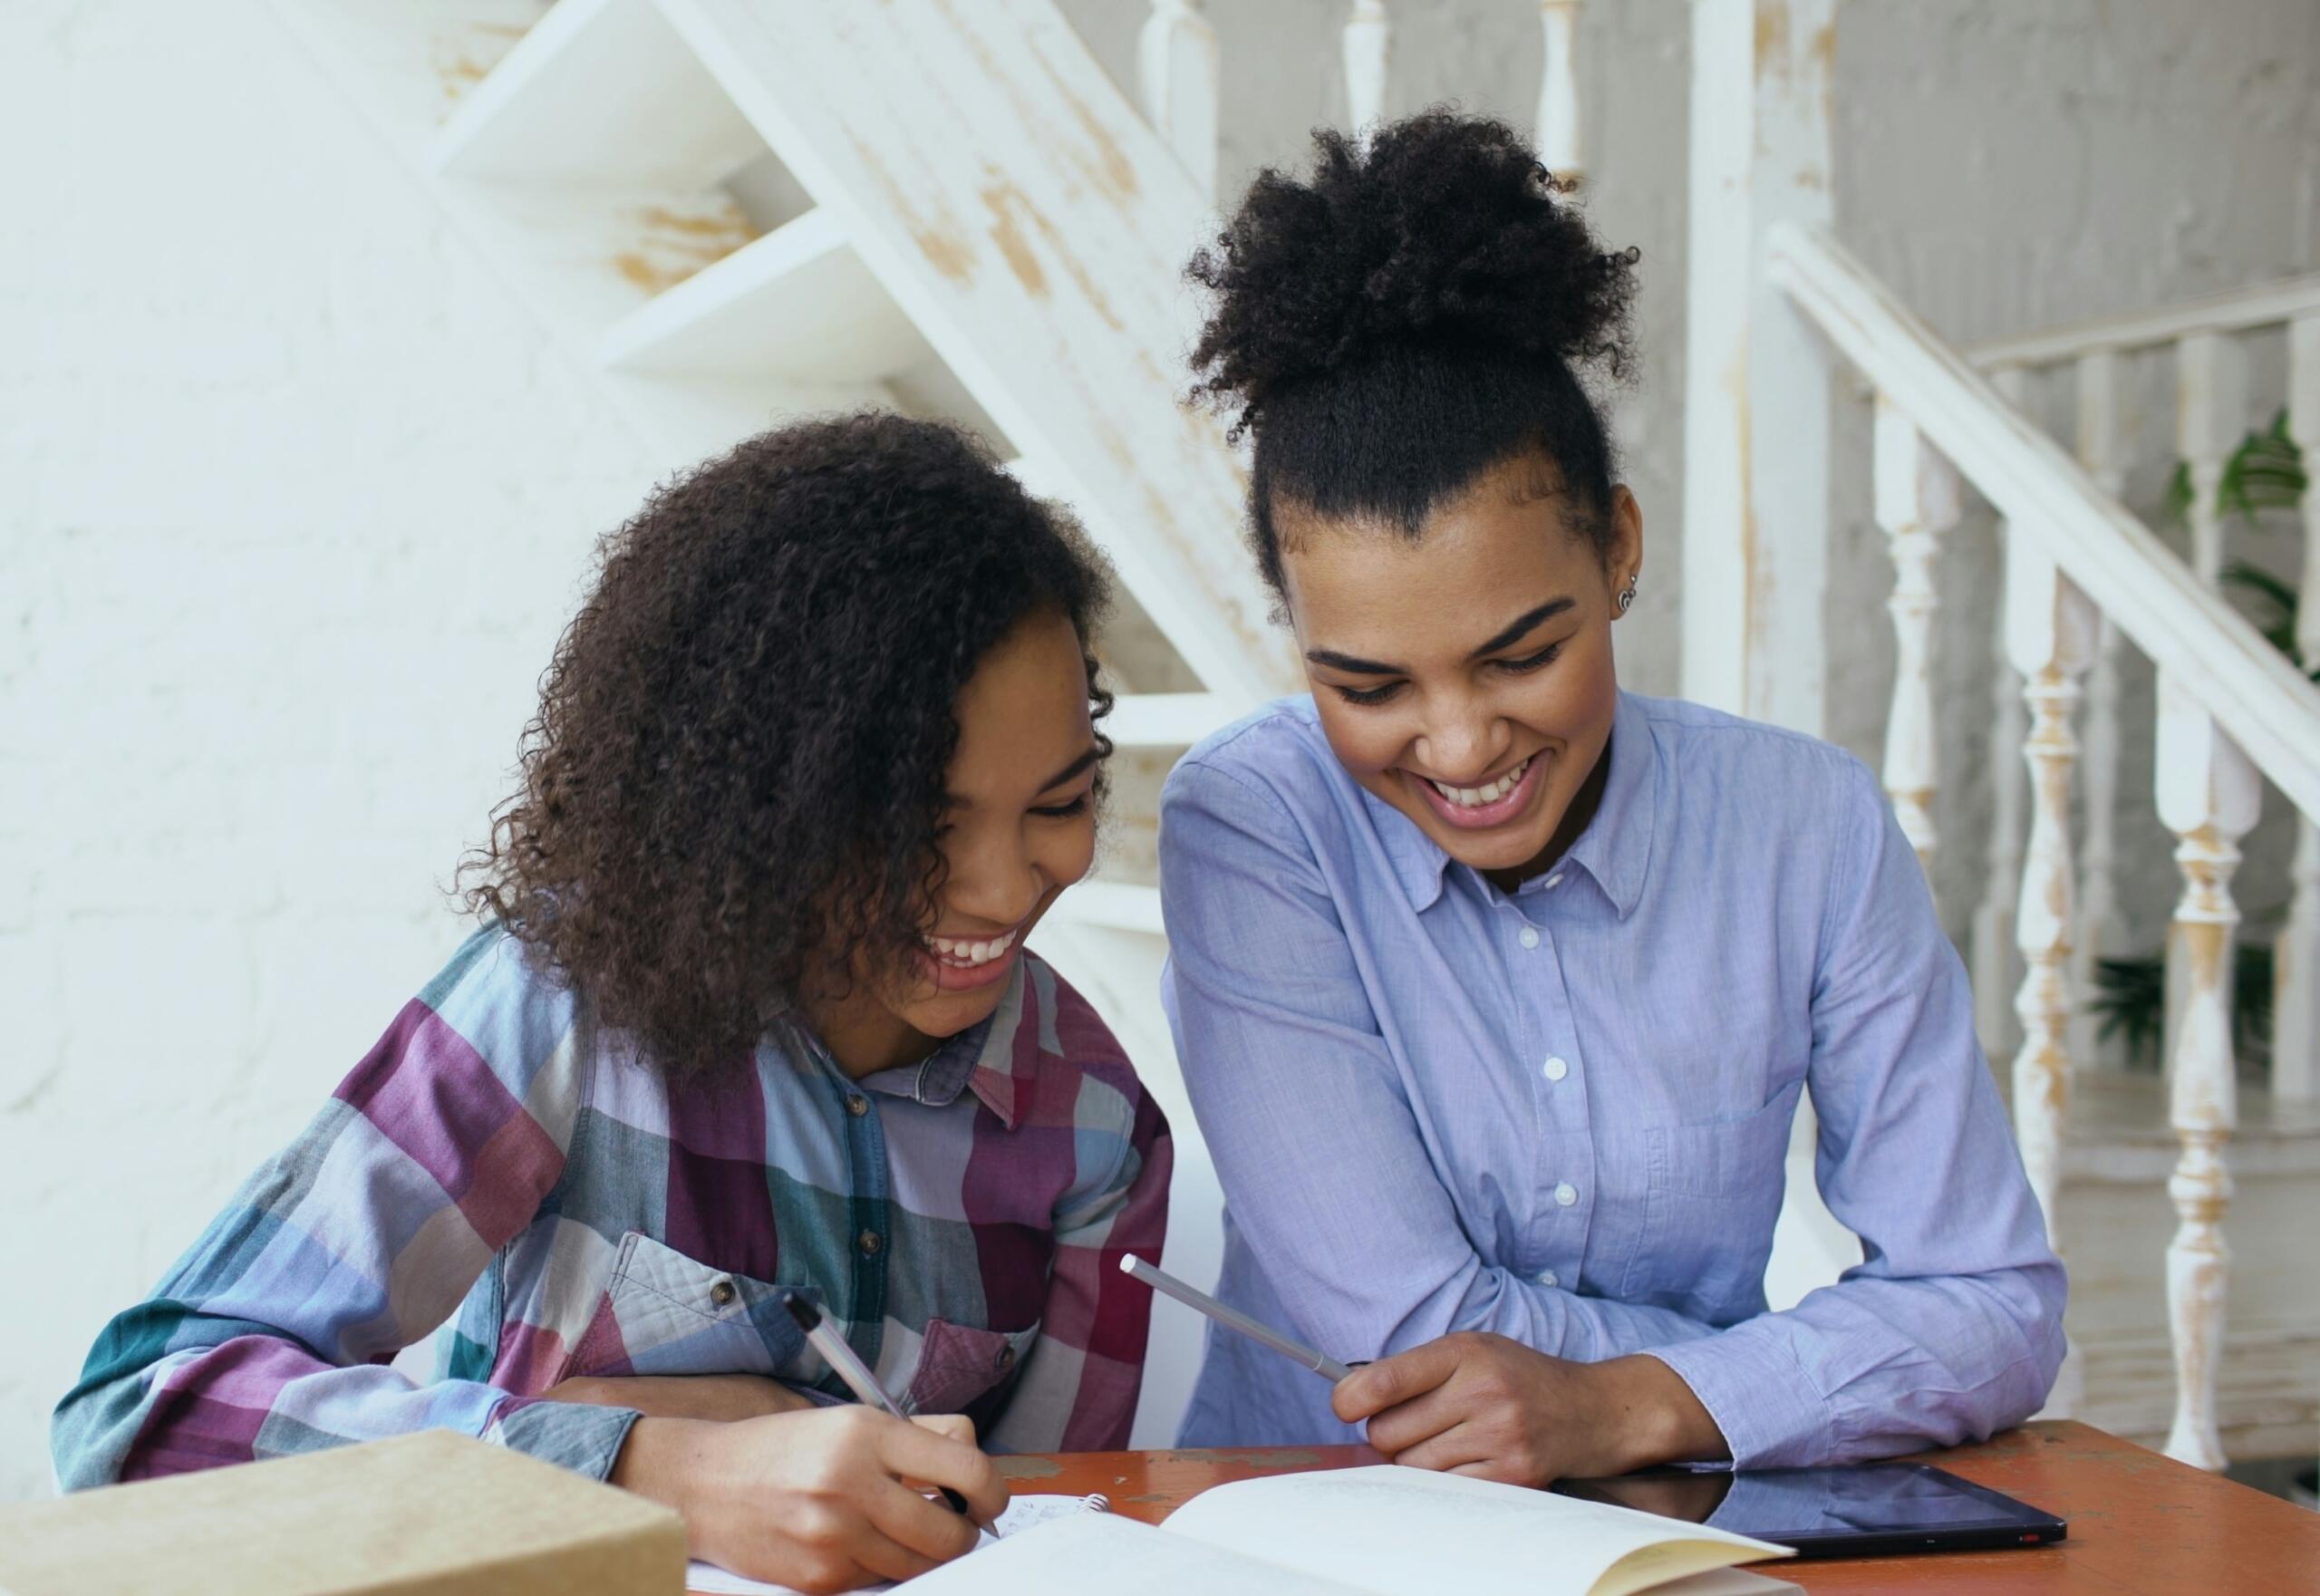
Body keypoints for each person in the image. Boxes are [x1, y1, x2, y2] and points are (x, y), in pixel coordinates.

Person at [53, 414, 1171, 1593]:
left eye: (1057, 803)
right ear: (755, 800)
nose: (1002, 886)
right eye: (921, 826)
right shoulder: (567, 1002)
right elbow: (139, 1419)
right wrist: (653, 1465)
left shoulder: (1094, 1126)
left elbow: (1058, 1536)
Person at [1157, 111, 2063, 1483]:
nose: (1460, 746)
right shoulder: (1255, 825)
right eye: (1369, 685)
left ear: (1618, 550)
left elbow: (1995, 1301)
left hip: (1682, 1538)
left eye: (1523, 654)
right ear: (1295, 634)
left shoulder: (1806, 827)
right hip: (1318, 1533)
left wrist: (1641, 1404)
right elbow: (1409, 1334)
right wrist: (1792, 1374)